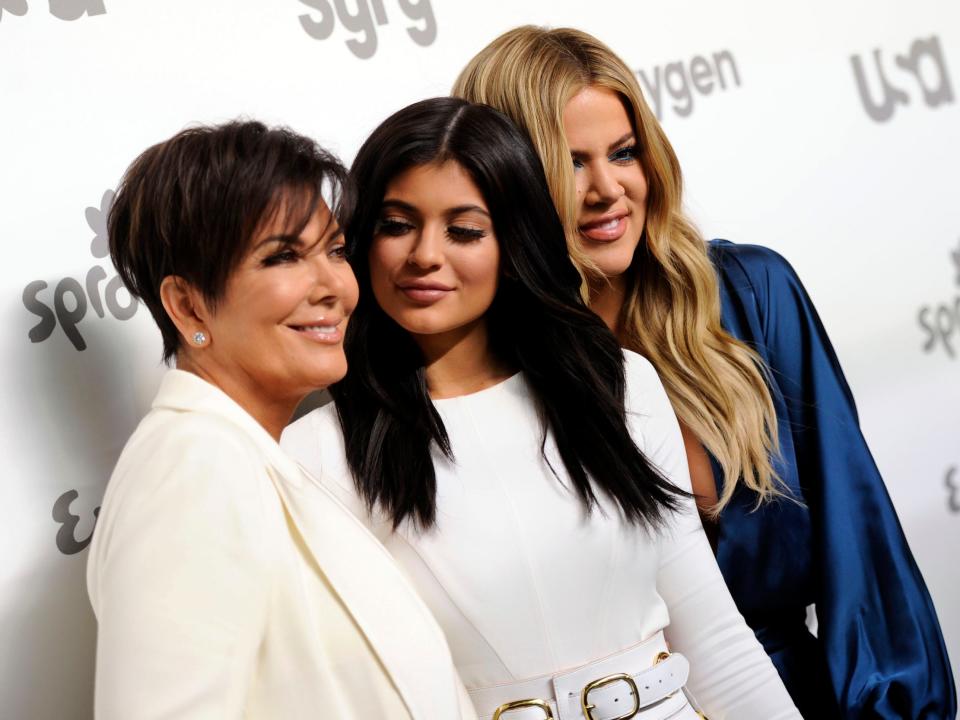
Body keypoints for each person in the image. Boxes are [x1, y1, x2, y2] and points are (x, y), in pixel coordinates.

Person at [452, 26, 956, 719]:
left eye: (623, 153)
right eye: (568, 164)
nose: (608, 189)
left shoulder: (751, 295)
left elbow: (860, 550)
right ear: (502, 181)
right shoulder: (476, 374)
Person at [282, 96, 801, 720]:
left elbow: (716, 641)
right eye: (397, 224)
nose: (424, 254)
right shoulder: (315, 453)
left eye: (465, 230)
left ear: (514, 241)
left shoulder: (620, 385)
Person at [87, 120, 475, 719]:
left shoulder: (251, 457)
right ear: (188, 304)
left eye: (337, 251)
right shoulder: (194, 465)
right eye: (284, 257)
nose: (335, 287)